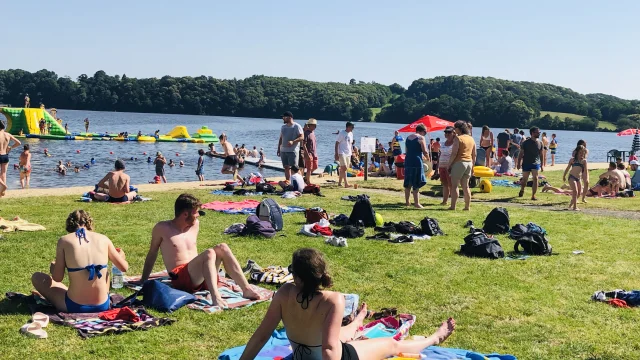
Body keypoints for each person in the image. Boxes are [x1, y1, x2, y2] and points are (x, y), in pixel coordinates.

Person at [239, 248, 456, 360]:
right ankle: (434, 338)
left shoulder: (284, 293)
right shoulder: (333, 299)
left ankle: (359, 321)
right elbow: (330, 349)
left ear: (297, 276)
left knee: (341, 332)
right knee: (391, 344)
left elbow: (261, 335)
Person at [140, 194, 262, 307]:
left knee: (222, 247)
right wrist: (143, 280)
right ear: (185, 214)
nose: (198, 215)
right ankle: (216, 298)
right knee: (209, 253)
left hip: (201, 276)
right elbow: (152, 253)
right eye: (196, 212)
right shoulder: (162, 228)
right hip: (180, 279)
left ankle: (246, 289)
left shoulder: (195, 224)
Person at [31, 210, 128, 312]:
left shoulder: (64, 241)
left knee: (37, 277)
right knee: (105, 272)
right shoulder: (104, 239)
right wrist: (120, 256)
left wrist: (53, 268)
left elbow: (57, 278)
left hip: (74, 306)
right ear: (89, 223)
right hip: (103, 305)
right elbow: (124, 267)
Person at [448, 121, 476, 211]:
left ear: (459, 129)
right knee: (466, 186)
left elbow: (454, 153)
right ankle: (467, 207)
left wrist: (449, 164)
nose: (454, 130)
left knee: (455, 186)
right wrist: (473, 166)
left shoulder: (458, 138)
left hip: (459, 163)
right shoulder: (471, 138)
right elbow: (474, 154)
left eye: (455, 128)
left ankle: (453, 206)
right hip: (469, 163)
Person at [403, 124, 431, 208]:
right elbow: (425, 151)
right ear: (422, 131)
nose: (425, 134)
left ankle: (407, 202)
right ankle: (416, 203)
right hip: (417, 161)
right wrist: (428, 158)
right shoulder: (421, 138)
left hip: (408, 160)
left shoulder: (408, 138)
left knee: (408, 182)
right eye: (425, 132)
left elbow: (407, 151)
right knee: (416, 181)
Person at [516, 126, 544, 200]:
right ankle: (522, 190)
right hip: (526, 163)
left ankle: (533, 195)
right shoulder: (525, 143)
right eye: (537, 132)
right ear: (532, 133)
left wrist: (542, 164)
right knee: (525, 180)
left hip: (536, 163)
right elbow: (521, 153)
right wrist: (518, 163)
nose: (539, 133)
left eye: (539, 132)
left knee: (535, 178)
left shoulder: (540, 142)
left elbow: (541, 154)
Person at [277, 111, 304, 181]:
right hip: (283, 150)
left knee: (295, 168)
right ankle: (288, 182)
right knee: (286, 167)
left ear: (289, 117)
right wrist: (278, 149)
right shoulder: (283, 127)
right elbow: (281, 138)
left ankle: (301, 182)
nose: (283, 119)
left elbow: (302, 137)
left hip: (292, 151)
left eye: (284, 117)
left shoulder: (297, 126)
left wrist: (293, 141)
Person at [563, 145, 588, 211]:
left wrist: (585, 179)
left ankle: (570, 205)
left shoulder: (584, 161)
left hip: (578, 178)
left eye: (583, 153)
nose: (581, 154)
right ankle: (575, 207)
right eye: (580, 153)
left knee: (579, 193)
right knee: (575, 191)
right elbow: (567, 168)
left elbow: (585, 171)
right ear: (577, 153)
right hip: (572, 177)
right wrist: (564, 175)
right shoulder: (572, 160)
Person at [0, 121, 21, 195]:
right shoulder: (8, 135)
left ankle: (3, 186)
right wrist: (11, 147)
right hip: (5, 156)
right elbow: (19, 143)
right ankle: (2, 191)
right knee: (3, 173)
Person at [438, 127, 455, 206]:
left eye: (449, 132)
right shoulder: (443, 143)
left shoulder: (455, 143)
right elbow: (440, 154)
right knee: (444, 184)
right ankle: (444, 201)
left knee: (451, 184)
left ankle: (453, 202)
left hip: (450, 166)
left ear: (453, 133)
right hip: (441, 165)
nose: (447, 134)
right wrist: (436, 167)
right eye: (446, 132)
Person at [335, 122, 355, 188]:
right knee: (344, 167)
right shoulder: (342, 133)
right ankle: (346, 183)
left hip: (348, 153)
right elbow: (337, 143)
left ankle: (339, 183)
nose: (353, 128)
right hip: (342, 152)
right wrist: (336, 153)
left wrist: (352, 152)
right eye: (352, 127)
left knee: (343, 169)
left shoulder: (351, 134)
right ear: (348, 127)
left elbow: (350, 144)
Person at [302, 118, 318, 185]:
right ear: (309, 125)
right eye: (313, 125)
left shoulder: (313, 133)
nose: (314, 127)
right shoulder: (306, 133)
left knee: (315, 167)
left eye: (315, 125)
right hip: (309, 153)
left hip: (314, 153)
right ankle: (308, 181)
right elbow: (304, 144)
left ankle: (305, 178)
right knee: (309, 168)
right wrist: (306, 154)